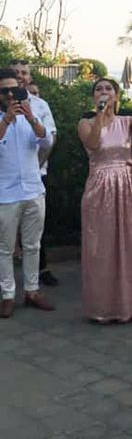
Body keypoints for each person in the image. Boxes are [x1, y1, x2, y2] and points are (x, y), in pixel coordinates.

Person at [78, 78, 132, 323]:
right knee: (100, 245)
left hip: (126, 186)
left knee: (128, 242)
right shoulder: (86, 123)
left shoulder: (128, 121)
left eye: (108, 89)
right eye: (99, 89)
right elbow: (93, 144)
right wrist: (100, 118)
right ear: (94, 97)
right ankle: (102, 307)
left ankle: (129, 305)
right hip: (100, 186)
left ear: (116, 95)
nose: (104, 92)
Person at [0, 67, 54, 318]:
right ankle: (8, 294)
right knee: (5, 248)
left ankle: (32, 290)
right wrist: (6, 121)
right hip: (5, 194)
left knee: (33, 245)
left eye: (16, 90)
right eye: (5, 91)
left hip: (33, 189)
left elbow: (46, 142)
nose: (11, 95)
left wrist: (31, 118)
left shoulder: (35, 111)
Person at [11, 60, 58, 286]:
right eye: (15, 72)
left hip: (36, 175)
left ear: (29, 77)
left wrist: (36, 166)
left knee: (36, 231)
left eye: (24, 72)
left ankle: (40, 274)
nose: (20, 76)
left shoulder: (41, 105)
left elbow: (49, 139)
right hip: (6, 179)